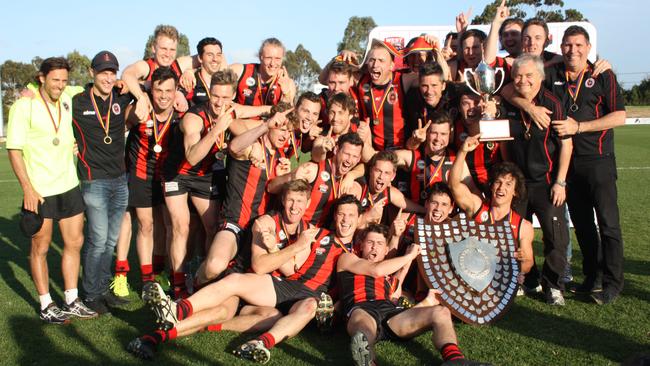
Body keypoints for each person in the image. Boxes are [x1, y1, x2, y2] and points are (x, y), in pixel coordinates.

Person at [140, 194, 361, 364]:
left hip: (306, 300)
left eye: (351, 215)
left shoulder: (356, 254)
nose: (345, 220)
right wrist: (286, 246)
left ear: (359, 219)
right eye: (341, 214)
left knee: (289, 311)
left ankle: (260, 344)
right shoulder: (315, 234)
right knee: (230, 290)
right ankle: (171, 318)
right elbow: (292, 268)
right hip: (283, 286)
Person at [126, 179, 317, 360]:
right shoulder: (266, 223)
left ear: (308, 204)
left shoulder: (306, 232)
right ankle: (154, 336)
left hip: (262, 293)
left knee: (272, 317)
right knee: (220, 311)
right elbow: (260, 266)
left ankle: (199, 324)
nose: (294, 206)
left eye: (300, 201)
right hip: (239, 279)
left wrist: (279, 248)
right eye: (290, 199)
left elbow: (291, 270)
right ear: (283, 200)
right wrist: (294, 247)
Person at [7, 57, 93, 323]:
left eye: (64, 80)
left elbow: (95, 86)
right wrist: (28, 189)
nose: (60, 85)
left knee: (74, 243)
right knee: (40, 247)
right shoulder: (24, 106)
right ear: (42, 78)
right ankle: (46, 304)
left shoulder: (68, 95)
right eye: (55, 80)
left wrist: (122, 83)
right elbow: (14, 150)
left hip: (68, 185)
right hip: (40, 190)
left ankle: (71, 299)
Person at [546, 26, 626, 305]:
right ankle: (592, 276)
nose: (573, 50)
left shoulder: (603, 74)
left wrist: (579, 127)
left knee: (608, 224)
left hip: (599, 161)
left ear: (588, 47)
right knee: (582, 226)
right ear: (561, 47)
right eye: (567, 45)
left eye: (578, 45)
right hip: (568, 164)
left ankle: (613, 282)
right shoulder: (553, 74)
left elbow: (619, 117)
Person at [337, 224, 488, 366]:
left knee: (441, 312)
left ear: (386, 250)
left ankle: (455, 360)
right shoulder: (347, 259)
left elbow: (401, 305)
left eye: (379, 243)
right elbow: (376, 270)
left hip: (389, 313)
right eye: (370, 242)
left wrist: (427, 302)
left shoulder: (390, 280)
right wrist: (409, 256)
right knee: (363, 328)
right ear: (362, 245)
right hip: (361, 307)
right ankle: (368, 361)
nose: (374, 247)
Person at [501, 54, 573, 305]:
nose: (523, 81)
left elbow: (566, 145)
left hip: (545, 182)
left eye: (529, 75)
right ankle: (527, 278)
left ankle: (553, 285)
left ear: (541, 77)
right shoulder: (507, 101)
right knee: (513, 234)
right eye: (518, 76)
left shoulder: (554, 103)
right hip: (517, 184)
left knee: (556, 236)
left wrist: (560, 181)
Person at [162, 70, 236, 298]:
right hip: (177, 172)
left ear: (232, 97)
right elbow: (192, 156)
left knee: (212, 228)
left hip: (204, 175)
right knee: (181, 226)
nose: (219, 102)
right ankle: (177, 285)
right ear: (210, 93)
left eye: (225, 97)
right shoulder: (193, 117)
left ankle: (205, 280)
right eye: (215, 96)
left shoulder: (230, 111)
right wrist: (217, 129)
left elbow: (257, 112)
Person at [72, 51, 134, 311]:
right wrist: (30, 89)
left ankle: (104, 286)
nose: (108, 78)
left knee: (110, 239)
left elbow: (144, 81)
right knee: (97, 239)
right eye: (103, 73)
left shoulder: (121, 97)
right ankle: (90, 293)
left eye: (112, 73)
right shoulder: (76, 101)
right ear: (91, 73)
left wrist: (128, 82)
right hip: (94, 180)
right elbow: (47, 90)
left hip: (120, 180)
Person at [122, 67, 181, 302]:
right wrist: (136, 107)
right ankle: (147, 280)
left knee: (167, 227)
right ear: (150, 90)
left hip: (168, 176)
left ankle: (161, 272)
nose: (164, 96)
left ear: (176, 92)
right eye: (158, 90)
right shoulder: (141, 110)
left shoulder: (181, 115)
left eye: (169, 90)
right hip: (141, 174)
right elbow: (122, 123)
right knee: (146, 226)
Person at [449, 137, 535, 281]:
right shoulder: (477, 207)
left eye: (508, 184)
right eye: (498, 182)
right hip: (468, 275)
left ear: (516, 191)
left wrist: (522, 262)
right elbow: (454, 186)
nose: (501, 188)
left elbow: (528, 263)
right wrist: (463, 152)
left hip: (498, 282)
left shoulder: (523, 226)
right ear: (491, 185)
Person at [229, 38, 296, 106]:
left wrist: (286, 95)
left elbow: (286, 114)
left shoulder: (288, 83)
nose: (272, 63)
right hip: (239, 116)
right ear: (260, 57)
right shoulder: (239, 71)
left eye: (277, 59)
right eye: (268, 58)